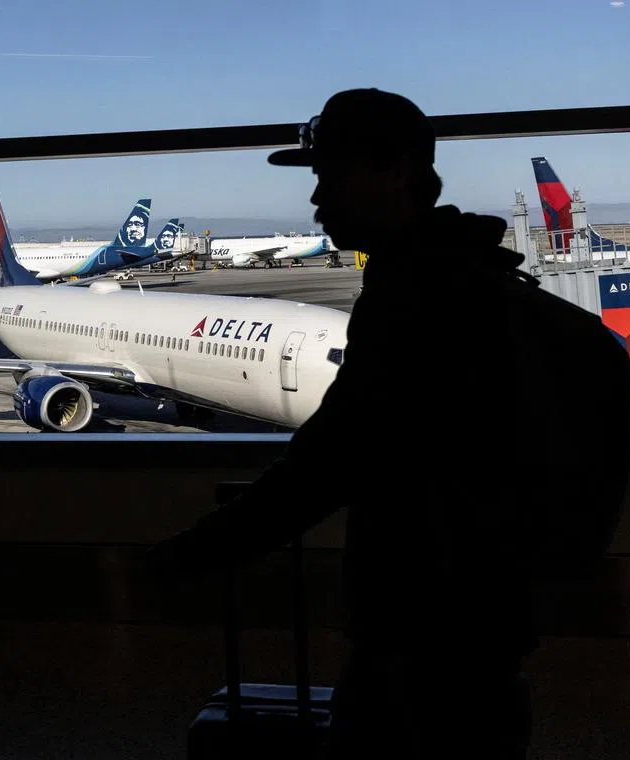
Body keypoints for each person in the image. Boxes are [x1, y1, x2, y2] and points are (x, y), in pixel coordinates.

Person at [148, 88, 555, 758]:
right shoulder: (461, 275)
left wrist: (190, 555)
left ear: (394, 172)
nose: (316, 200)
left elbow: (326, 465)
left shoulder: (420, 297)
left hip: (429, 633)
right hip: (474, 620)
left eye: (329, 176)